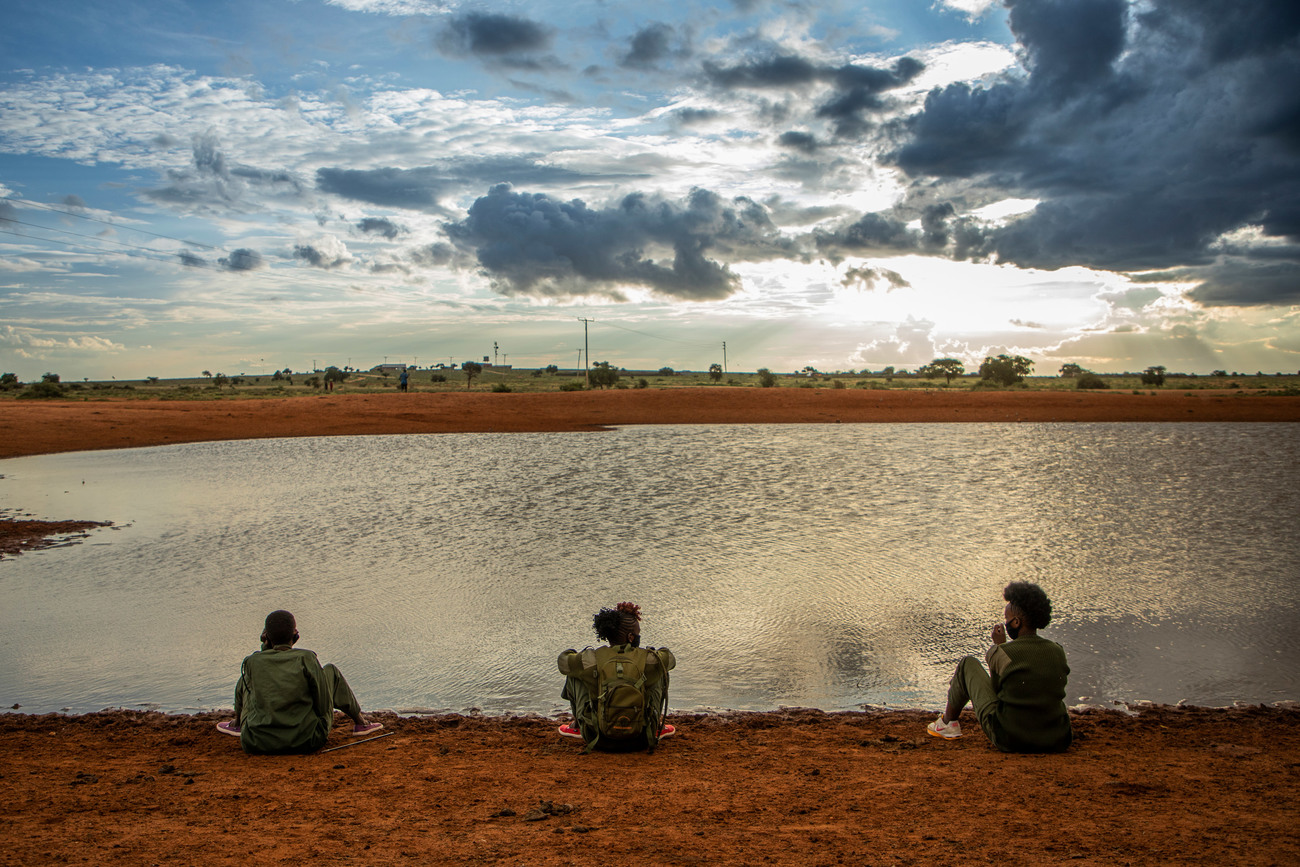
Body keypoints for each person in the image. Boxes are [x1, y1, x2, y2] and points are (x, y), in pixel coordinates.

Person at [926, 581, 1072, 753]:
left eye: (1007, 620)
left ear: (1016, 622)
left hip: (1010, 739)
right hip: (1058, 739)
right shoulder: (1057, 651)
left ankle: (947, 723)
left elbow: (997, 692)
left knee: (968, 663)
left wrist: (999, 647)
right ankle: (947, 724)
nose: (1006, 623)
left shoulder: (1001, 652)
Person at [216, 610, 382, 754]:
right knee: (330, 671)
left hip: (255, 742)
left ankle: (237, 723)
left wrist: (266, 646)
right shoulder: (306, 658)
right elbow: (324, 706)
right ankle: (361, 723)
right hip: (308, 740)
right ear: (295, 634)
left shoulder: (252, 661)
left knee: (247, 679)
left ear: (265, 636)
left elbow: (262, 665)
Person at [558, 602, 676, 750]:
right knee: (661, 671)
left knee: (574, 673)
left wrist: (578, 654)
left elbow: (563, 661)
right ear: (631, 637)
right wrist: (648, 652)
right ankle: (657, 725)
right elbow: (670, 659)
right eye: (637, 634)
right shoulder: (648, 659)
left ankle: (577, 725)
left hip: (596, 738)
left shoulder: (590, 658)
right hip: (643, 738)